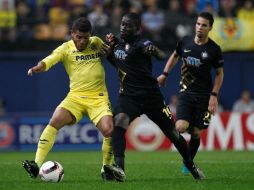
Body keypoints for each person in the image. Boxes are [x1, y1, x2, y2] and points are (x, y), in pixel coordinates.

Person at [101, 13, 205, 182]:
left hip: (151, 97)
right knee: (119, 122)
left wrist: (155, 51)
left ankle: (190, 164)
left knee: (172, 133)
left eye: (128, 26)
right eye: (122, 24)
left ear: (137, 28)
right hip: (129, 96)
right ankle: (120, 169)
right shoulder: (117, 42)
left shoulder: (142, 43)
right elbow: (122, 65)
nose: (123, 28)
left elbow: (161, 55)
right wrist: (110, 57)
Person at [22, 17, 117, 181]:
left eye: (85, 37)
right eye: (79, 37)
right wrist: (38, 67)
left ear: (90, 35)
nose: (82, 41)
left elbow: (109, 53)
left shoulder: (95, 42)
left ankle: (106, 168)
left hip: (99, 98)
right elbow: (50, 60)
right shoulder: (65, 48)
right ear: (72, 34)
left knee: (109, 130)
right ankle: (36, 164)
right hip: (75, 98)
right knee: (55, 120)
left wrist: (110, 48)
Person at [157, 12, 224, 175]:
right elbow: (174, 56)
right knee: (180, 127)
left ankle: (187, 164)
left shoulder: (214, 49)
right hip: (186, 92)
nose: (200, 28)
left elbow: (220, 74)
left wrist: (213, 96)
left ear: (210, 28)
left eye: (204, 25)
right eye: (198, 24)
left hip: (204, 96)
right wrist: (165, 74)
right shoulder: (185, 42)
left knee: (195, 133)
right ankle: (188, 161)